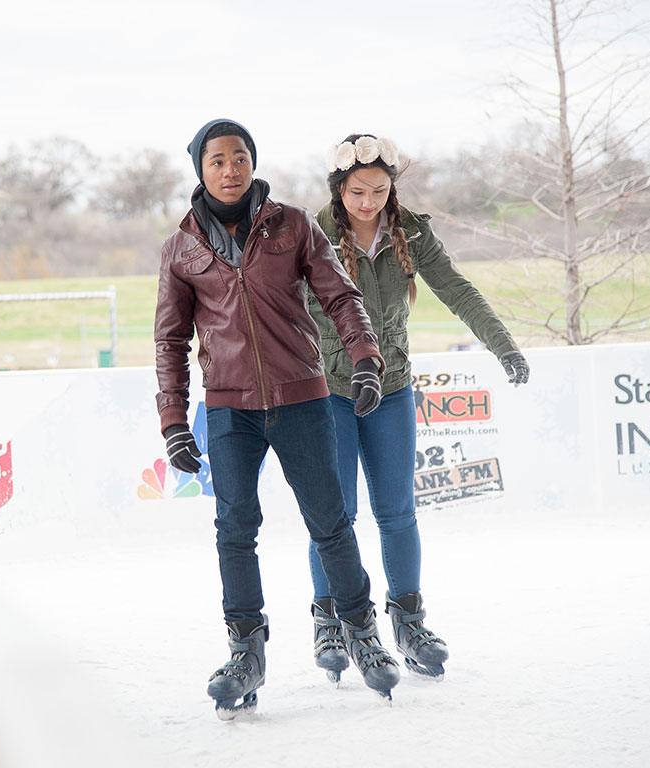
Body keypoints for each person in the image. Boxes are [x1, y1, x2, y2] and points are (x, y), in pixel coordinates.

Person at [154, 119, 401, 716]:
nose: (230, 169)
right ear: (201, 169)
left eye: (240, 157)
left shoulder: (291, 226)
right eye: (217, 160)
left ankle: (363, 634)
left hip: (302, 398)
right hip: (229, 408)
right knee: (235, 530)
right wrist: (172, 422)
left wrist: (366, 359)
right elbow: (169, 341)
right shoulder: (182, 247)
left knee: (330, 522)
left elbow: (340, 295)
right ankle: (246, 651)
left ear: (252, 163)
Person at [305, 134, 530, 680]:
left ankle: (408, 619)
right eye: (358, 192)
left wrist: (504, 345)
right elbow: (293, 306)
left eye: (379, 191)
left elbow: (456, 289)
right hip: (329, 390)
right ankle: (330, 618)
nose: (368, 202)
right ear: (340, 188)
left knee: (398, 512)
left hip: (393, 387)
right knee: (335, 517)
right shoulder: (312, 235)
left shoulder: (411, 232)